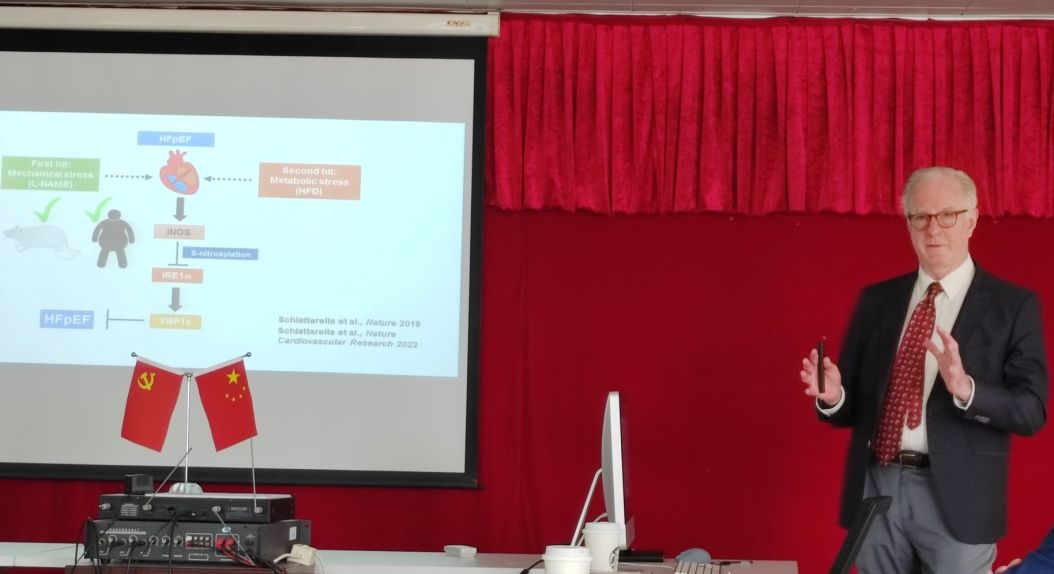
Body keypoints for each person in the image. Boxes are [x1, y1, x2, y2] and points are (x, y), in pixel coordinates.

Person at [799, 166, 1049, 573]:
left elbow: (1031, 411)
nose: (934, 229)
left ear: (971, 220)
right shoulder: (877, 301)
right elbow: (853, 407)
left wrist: (966, 389)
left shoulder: (1013, 305)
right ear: (908, 223)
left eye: (947, 215)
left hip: (960, 498)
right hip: (877, 487)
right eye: (921, 216)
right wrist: (834, 397)